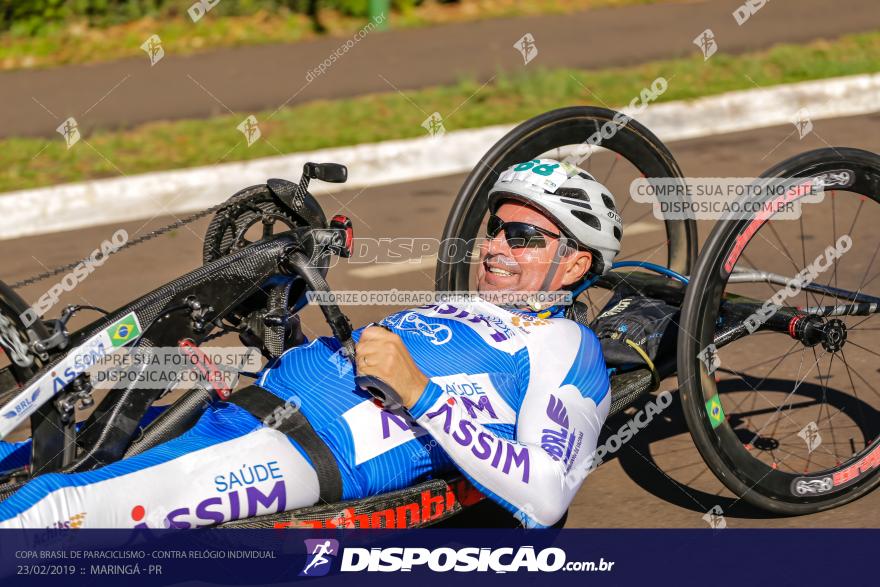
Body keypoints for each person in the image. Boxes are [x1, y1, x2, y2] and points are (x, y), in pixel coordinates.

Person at [0, 158, 622, 529]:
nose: (493, 247)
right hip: (237, 409)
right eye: (495, 229)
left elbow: (546, 493)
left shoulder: (564, 346)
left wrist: (421, 391)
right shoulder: (458, 307)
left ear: (573, 265)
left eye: (522, 237)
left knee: (59, 511)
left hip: (293, 454)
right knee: (47, 454)